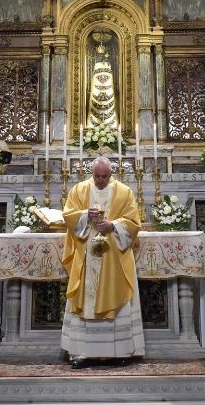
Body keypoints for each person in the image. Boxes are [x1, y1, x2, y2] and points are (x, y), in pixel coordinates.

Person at [60, 156, 145, 369]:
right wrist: (84, 216)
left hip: (114, 256)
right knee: (86, 302)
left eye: (104, 176)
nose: (100, 180)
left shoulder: (124, 192)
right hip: (87, 254)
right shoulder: (79, 190)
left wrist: (113, 226)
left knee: (117, 299)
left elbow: (134, 223)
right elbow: (68, 217)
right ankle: (82, 353)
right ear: (92, 173)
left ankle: (121, 352)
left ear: (111, 173)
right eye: (97, 176)